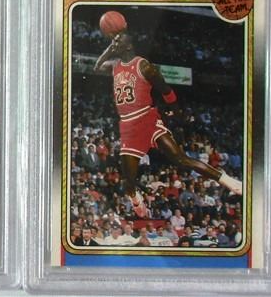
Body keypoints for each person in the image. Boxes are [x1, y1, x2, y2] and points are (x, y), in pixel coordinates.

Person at [93, 32, 242, 218]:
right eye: (113, 41)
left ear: (129, 46)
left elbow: (166, 90)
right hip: (128, 125)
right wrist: (109, 49)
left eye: (117, 41)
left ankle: (226, 180)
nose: (114, 44)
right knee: (129, 181)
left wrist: (176, 112)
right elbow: (96, 67)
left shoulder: (143, 66)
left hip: (146, 118)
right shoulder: (115, 66)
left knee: (180, 158)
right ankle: (135, 199)